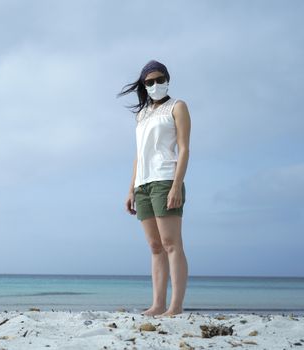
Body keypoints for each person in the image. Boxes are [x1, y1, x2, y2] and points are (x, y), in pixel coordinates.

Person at [117, 60, 191, 317]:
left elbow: (184, 149)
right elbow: (139, 155)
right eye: (150, 82)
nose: (155, 85)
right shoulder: (142, 115)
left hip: (165, 179)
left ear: (168, 79)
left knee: (172, 243)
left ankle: (175, 306)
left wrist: (176, 185)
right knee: (155, 246)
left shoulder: (177, 106)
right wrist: (130, 190)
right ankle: (158, 304)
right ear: (144, 85)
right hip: (143, 185)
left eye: (160, 80)